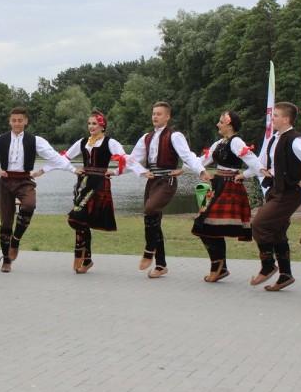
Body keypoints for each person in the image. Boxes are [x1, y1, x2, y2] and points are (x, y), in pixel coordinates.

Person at [0, 107, 75, 273]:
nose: (17, 123)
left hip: (25, 180)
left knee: (29, 205)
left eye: (20, 120)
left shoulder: (35, 140)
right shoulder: (0, 140)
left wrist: (72, 170)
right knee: (6, 222)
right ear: (10, 121)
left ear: (26, 121)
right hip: (6, 181)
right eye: (14, 120)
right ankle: (6, 259)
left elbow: (55, 157)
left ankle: (16, 240)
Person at [251, 102, 301, 291]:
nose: (272, 118)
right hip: (275, 190)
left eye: (276, 115)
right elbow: (261, 163)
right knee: (276, 232)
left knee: (259, 223)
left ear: (286, 119)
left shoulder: (295, 140)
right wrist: (244, 174)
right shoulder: (273, 139)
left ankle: (268, 265)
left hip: (289, 193)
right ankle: (285, 275)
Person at [130, 101, 211, 278]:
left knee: (150, 209)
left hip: (168, 180)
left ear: (167, 116)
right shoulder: (147, 137)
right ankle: (161, 265)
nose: (155, 116)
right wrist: (141, 172)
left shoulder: (175, 136)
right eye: (153, 113)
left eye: (159, 113)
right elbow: (132, 159)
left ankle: (149, 248)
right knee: (154, 218)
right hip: (152, 181)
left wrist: (201, 171)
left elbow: (187, 156)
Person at [64, 111, 140, 273]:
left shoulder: (110, 142)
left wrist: (120, 172)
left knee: (78, 216)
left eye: (94, 124)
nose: (91, 126)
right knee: (81, 220)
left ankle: (80, 253)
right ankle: (87, 259)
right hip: (83, 183)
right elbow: (64, 158)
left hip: (99, 184)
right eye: (89, 123)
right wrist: (71, 169)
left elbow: (124, 159)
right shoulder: (83, 142)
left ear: (102, 126)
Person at [191, 111, 261, 282]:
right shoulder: (219, 143)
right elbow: (201, 161)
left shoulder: (236, 142)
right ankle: (220, 267)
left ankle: (218, 266)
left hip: (230, 186)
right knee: (206, 226)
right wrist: (183, 169)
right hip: (218, 185)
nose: (218, 124)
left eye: (221, 122)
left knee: (204, 225)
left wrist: (244, 175)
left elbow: (256, 163)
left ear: (230, 125)